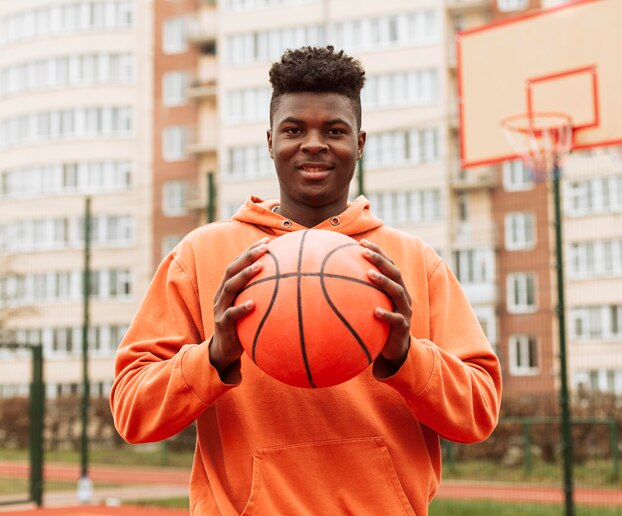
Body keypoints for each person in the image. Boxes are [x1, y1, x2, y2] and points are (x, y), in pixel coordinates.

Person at [110, 46, 501, 515]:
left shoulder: (412, 261)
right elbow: (133, 412)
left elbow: (479, 412)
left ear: (359, 142)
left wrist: (406, 356)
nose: (313, 143)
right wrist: (214, 355)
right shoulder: (202, 255)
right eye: (294, 129)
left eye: (334, 130)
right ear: (270, 140)